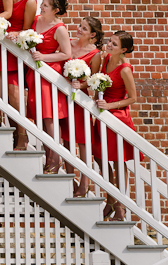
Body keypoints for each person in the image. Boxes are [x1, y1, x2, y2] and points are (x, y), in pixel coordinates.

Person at [92, 31, 142, 221]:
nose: (109, 45)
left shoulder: (125, 69)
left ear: (123, 50)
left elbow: (133, 98)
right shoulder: (105, 59)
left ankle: (119, 207)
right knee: (99, 157)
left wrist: (109, 105)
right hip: (103, 117)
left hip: (118, 118)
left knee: (118, 162)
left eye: (114, 44)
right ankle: (112, 201)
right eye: (109, 41)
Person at [26, 0, 71, 174]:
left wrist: (43, 57)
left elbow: (66, 54)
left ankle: (55, 158)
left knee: (49, 117)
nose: (41, 7)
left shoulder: (59, 28)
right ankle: (48, 155)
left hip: (49, 73)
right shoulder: (35, 20)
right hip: (34, 73)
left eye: (45, 5)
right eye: (42, 4)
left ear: (56, 10)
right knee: (40, 117)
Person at [5, 0, 46, 150]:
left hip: (14, 49)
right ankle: (14, 133)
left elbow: (28, 29)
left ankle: (22, 136)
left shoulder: (31, 2)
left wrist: (15, 34)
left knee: (14, 95)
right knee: (2, 94)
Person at [61, 16, 103, 197]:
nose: (79, 29)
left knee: (83, 142)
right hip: (62, 97)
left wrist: (81, 85)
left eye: (84, 29)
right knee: (66, 140)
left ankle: (85, 183)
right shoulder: (68, 43)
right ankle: (70, 179)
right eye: (80, 26)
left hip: (80, 101)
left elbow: (92, 80)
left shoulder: (95, 54)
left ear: (92, 35)